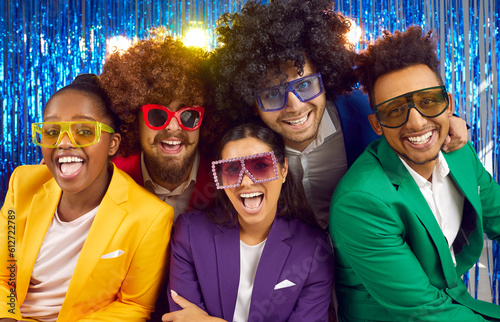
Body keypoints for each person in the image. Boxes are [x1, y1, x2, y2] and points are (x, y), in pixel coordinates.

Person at [209, 0, 468, 229]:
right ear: (253, 102)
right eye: (273, 94)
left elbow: (417, 122)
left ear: (325, 77)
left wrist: (455, 122)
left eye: (305, 84)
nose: (295, 106)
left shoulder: (369, 113)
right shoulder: (242, 144)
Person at [329, 26, 500, 321]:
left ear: (448, 104)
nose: (416, 122)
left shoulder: (459, 154)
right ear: (377, 125)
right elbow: (424, 311)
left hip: (453, 307)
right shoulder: (359, 202)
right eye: (395, 110)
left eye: (428, 101)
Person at [0, 74, 173, 321]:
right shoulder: (23, 184)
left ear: (113, 144)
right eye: (51, 131)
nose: (64, 143)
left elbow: (134, 306)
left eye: (83, 131)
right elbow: (3, 277)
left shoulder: (150, 217)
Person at [163, 123, 334, 322]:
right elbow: (180, 318)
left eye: (261, 166)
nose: (246, 181)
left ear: (284, 169)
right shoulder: (190, 233)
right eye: (233, 169)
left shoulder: (313, 248)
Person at [100, 28, 216, 219]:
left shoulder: (228, 182)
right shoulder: (109, 180)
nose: (173, 126)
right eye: (157, 114)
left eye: (188, 115)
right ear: (131, 118)